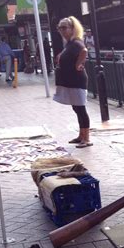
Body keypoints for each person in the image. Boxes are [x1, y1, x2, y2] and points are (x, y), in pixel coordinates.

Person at [53, 16, 92, 149]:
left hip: (77, 80)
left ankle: (86, 138)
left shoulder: (75, 42)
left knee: (81, 109)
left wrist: (78, 64)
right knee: (76, 108)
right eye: (59, 28)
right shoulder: (69, 43)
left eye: (64, 28)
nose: (61, 31)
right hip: (71, 80)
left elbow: (84, 51)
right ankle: (81, 135)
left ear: (72, 29)